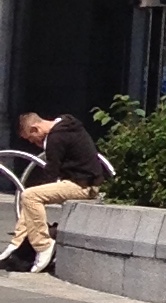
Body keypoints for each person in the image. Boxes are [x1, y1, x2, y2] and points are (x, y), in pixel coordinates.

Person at [5, 108, 110, 274]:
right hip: (86, 182)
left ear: (35, 129)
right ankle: (17, 242)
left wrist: (40, 189)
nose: (33, 142)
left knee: (30, 196)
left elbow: (51, 173)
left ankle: (43, 245)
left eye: (31, 138)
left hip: (82, 186)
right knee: (30, 196)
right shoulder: (67, 125)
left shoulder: (56, 138)